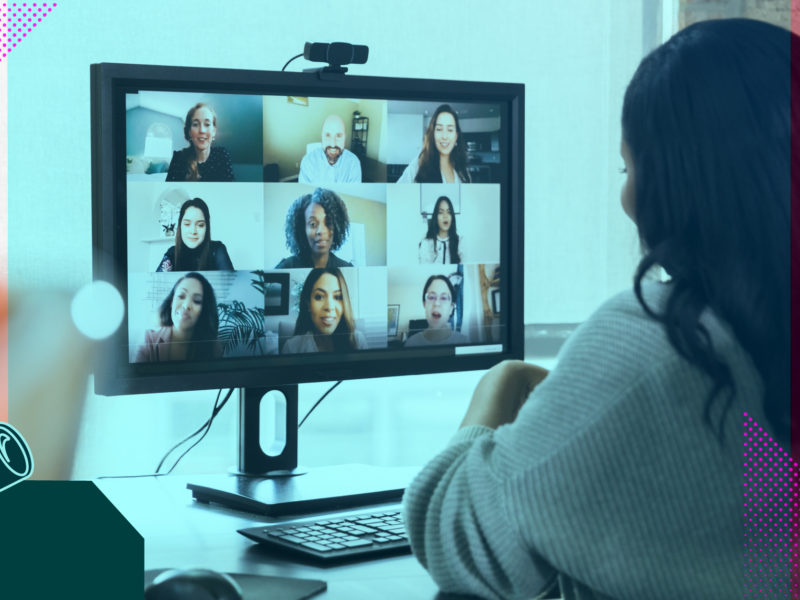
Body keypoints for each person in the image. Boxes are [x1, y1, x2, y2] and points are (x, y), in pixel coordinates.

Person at [402, 18, 791, 600]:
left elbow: (456, 534)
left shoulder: (664, 345)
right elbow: (761, 563)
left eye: (627, 168)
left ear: (673, 183)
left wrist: (499, 390)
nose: (626, 197)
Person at [135, 272, 221, 362]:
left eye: (197, 301)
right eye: (181, 296)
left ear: (204, 310)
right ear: (172, 302)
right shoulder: (149, 340)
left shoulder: (213, 346)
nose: (186, 305)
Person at [282, 267, 367, 353]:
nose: (329, 307)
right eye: (319, 297)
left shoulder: (358, 341)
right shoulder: (292, 348)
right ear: (308, 303)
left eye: (337, 297)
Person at [275, 188, 353, 268]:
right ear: (302, 229)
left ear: (337, 228)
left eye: (328, 223)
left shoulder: (347, 268)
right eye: (313, 224)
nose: (321, 231)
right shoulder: (286, 267)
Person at [397, 104, 471, 184]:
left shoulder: (463, 171)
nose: (444, 136)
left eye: (450, 130)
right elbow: (396, 193)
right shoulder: (418, 165)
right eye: (439, 129)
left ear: (456, 136)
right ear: (433, 134)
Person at [156, 198, 234, 272]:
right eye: (187, 224)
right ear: (180, 226)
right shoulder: (172, 253)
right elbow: (156, 283)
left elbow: (232, 283)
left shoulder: (217, 250)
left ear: (207, 228)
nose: (193, 231)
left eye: (200, 225)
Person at [165, 103, 234, 182]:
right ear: (189, 132)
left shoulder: (222, 154)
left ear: (214, 131)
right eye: (195, 124)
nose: (202, 130)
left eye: (207, 124)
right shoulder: (178, 158)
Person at [404, 275, 469, 347]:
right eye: (431, 297)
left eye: (444, 298)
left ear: (451, 308)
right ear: (424, 304)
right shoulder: (411, 344)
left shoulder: (464, 342)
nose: (437, 303)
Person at [298, 114, 362, 184]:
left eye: (339, 136)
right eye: (328, 135)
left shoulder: (353, 163)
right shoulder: (308, 162)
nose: (333, 144)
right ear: (321, 136)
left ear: (345, 138)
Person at [418, 196, 462, 264]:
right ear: (436, 217)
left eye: (449, 212)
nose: (445, 216)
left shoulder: (460, 242)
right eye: (441, 212)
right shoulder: (426, 243)